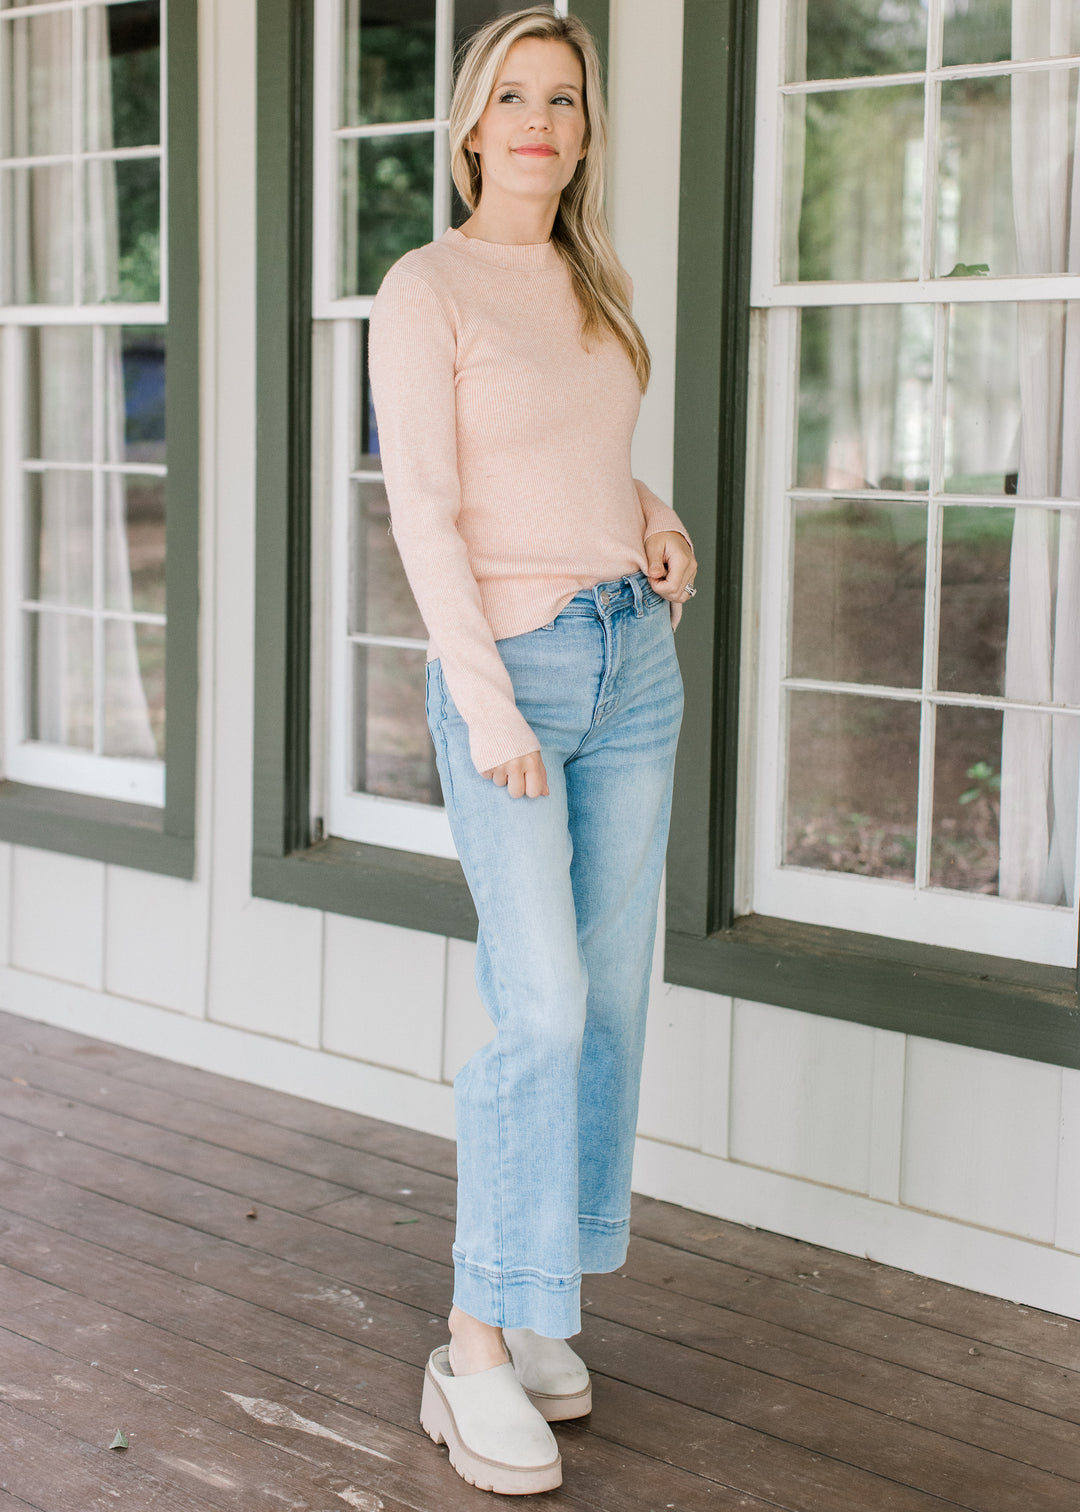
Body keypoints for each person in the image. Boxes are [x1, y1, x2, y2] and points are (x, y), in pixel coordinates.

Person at [368, 5, 696, 1495]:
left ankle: (540, 1294)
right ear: (471, 123)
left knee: (609, 1006)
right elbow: (428, 512)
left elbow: (585, 454)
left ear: (583, 129)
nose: (541, 123)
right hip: (515, 682)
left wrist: (658, 523)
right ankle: (473, 1347)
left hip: (636, 665)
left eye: (564, 99)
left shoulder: (592, 279)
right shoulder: (425, 285)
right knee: (541, 1009)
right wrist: (487, 701)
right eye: (515, 96)